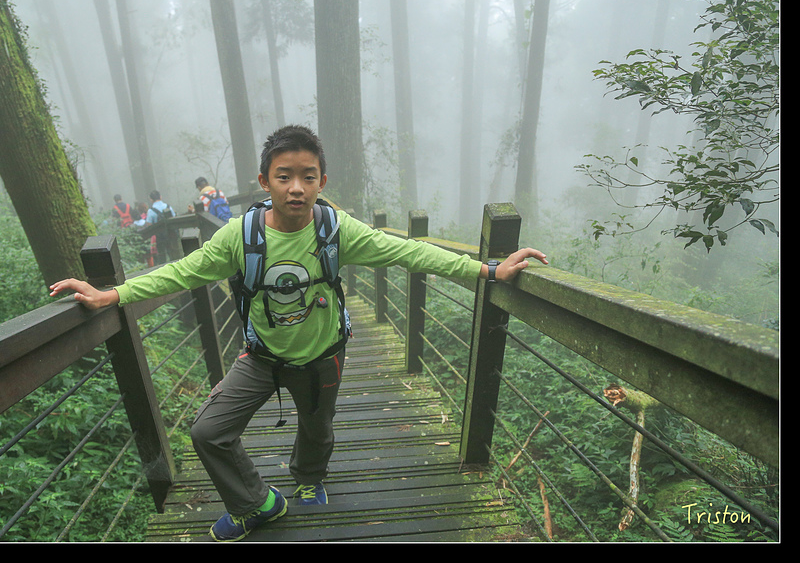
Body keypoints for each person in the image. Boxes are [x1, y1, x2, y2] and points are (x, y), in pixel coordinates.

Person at [50, 125, 547, 542]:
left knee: (318, 428)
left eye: (307, 177)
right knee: (207, 431)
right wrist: (110, 296)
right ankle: (258, 502)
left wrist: (489, 270)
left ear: (321, 180)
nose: (296, 188)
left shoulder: (335, 230)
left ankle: (309, 479)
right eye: (284, 177)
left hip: (323, 355)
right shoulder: (241, 237)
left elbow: (407, 252)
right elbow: (184, 271)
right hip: (262, 356)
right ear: (264, 181)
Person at [144, 190, 176, 264]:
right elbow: (174, 219)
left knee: (162, 255)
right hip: (171, 235)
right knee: (173, 254)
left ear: (151, 199)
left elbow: (149, 225)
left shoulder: (151, 211)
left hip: (159, 237)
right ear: (160, 197)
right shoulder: (168, 207)